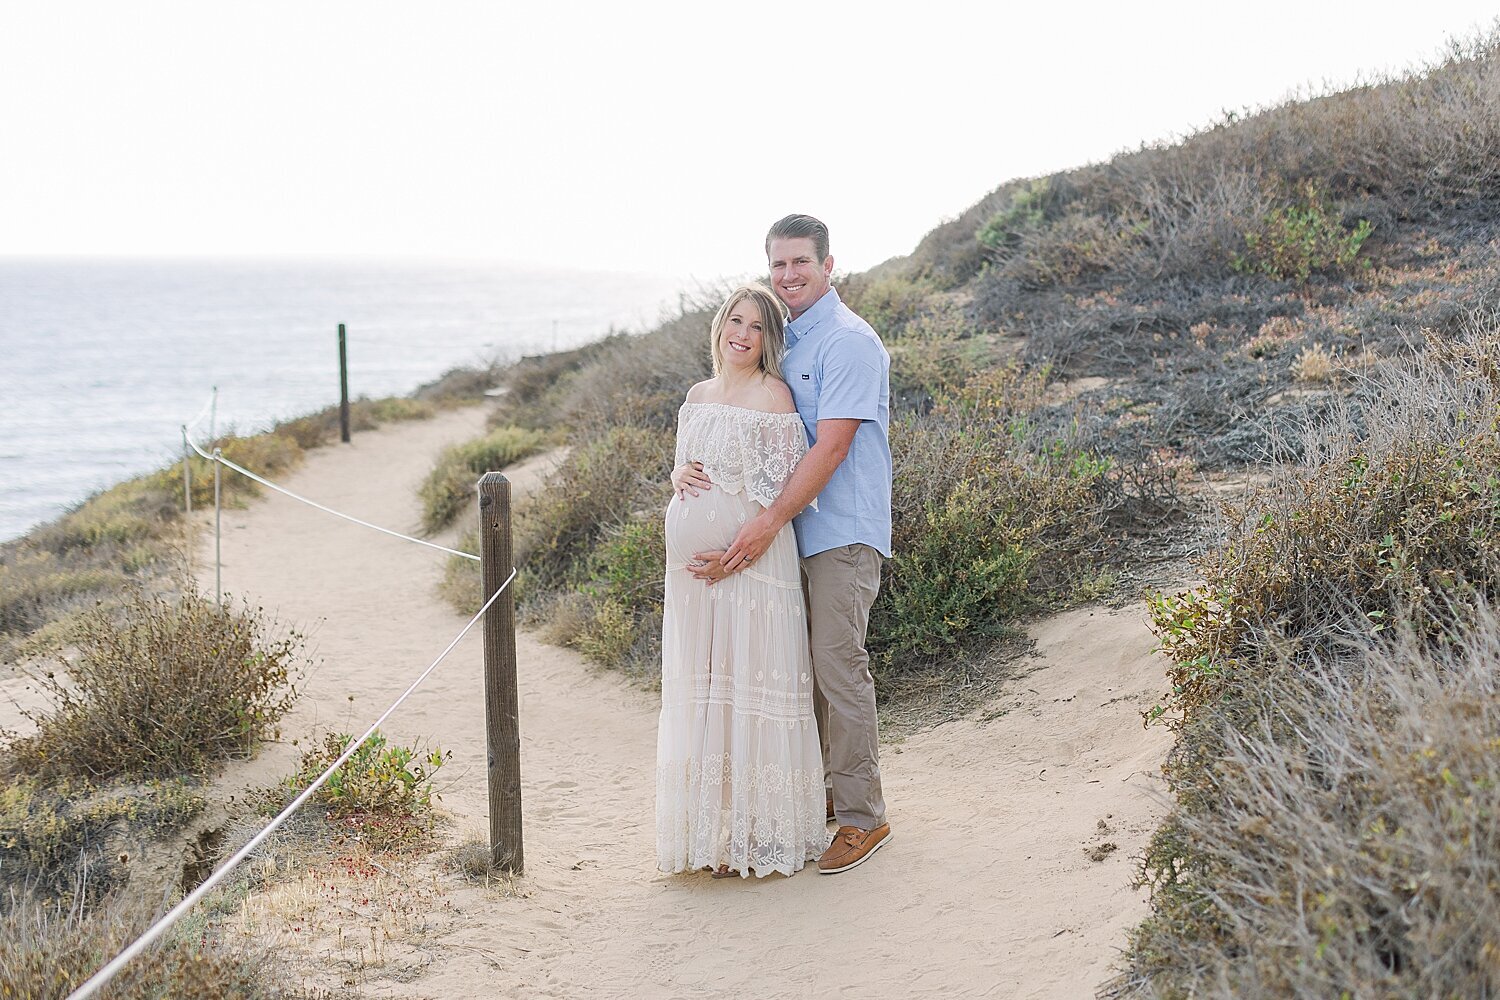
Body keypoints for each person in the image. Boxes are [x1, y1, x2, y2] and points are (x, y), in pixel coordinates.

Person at [680, 215, 893, 875]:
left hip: (842, 530)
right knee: (802, 672)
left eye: (801, 262)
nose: (789, 275)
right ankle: (830, 790)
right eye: (779, 265)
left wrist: (768, 519)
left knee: (837, 667)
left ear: (829, 266)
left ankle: (864, 818)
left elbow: (832, 446)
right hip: (790, 534)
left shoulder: (850, 343)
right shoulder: (786, 339)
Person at [655, 283, 830, 880]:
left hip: (753, 574)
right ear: (720, 326)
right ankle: (711, 834)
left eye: (756, 326)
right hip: (693, 586)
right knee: (708, 696)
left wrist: (732, 557)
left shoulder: (775, 397)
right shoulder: (697, 395)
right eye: (736, 321)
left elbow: (779, 499)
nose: (743, 334)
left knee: (748, 693)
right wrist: (678, 472)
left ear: (767, 339)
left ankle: (759, 838)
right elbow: (687, 473)